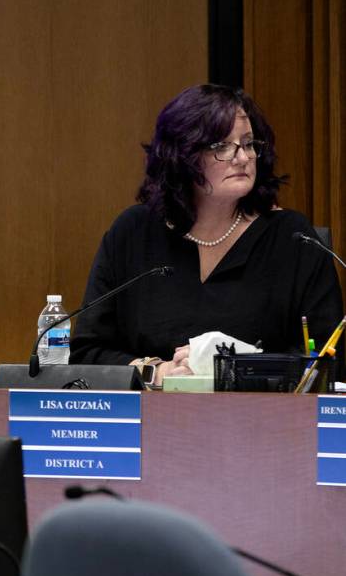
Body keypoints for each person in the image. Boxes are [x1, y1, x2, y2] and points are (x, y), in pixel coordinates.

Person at [70, 84, 343, 386]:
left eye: (249, 144)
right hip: (149, 423)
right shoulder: (133, 233)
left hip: (260, 424)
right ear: (182, 156)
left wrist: (233, 369)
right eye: (222, 147)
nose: (242, 158)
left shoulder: (293, 238)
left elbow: (329, 358)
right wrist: (155, 372)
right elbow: (87, 353)